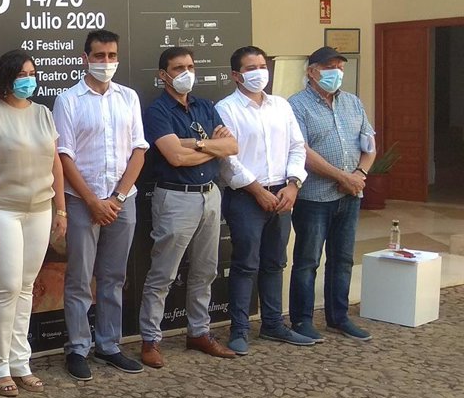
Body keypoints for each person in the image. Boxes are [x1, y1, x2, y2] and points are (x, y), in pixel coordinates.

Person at [0, 50, 67, 397]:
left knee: (25, 287)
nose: (29, 79)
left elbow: (56, 163)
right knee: (7, 286)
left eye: (32, 73)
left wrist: (61, 210)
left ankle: (20, 362)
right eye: (22, 74)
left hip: (39, 210)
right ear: (7, 77)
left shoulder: (43, 113)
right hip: (0, 211)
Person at [52, 30, 148, 381]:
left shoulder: (128, 97)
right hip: (82, 202)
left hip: (122, 202)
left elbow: (139, 150)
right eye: (99, 56)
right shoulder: (68, 100)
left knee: (113, 277)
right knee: (79, 279)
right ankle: (78, 348)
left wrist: (117, 198)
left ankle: (108, 345)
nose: (106, 62)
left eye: (111, 56)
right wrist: (93, 201)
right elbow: (63, 156)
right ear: (85, 58)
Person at [139, 47, 240, 369]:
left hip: (210, 194)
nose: (186, 73)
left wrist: (194, 143)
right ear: (163, 75)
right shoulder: (157, 111)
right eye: (178, 68)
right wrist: (211, 146)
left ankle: (199, 332)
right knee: (163, 274)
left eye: (191, 67)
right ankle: (150, 340)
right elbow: (175, 157)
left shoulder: (205, 106)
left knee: (205, 270)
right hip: (175, 197)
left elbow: (232, 146)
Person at [215, 46, 315, 355]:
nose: (259, 72)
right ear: (236, 75)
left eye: (262, 65)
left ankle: (273, 324)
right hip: (246, 197)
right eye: (251, 68)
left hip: (282, 194)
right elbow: (227, 159)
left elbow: (297, 146)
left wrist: (293, 184)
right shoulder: (226, 109)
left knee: (275, 262)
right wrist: (257, 190)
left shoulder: (281, 106)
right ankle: (239, 330)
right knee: (246, 264)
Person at [289, 46, 377, 342]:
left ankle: (338, 317)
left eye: (340, 67)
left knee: (342, 259)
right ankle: (301, 320)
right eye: (330, 67)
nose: (337, 72)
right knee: (308, 260)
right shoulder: (296, 105)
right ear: (311, 71)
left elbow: (369, 144)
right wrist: (342, 177)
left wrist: (359, 175)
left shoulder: (352, 102)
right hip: (314, 198)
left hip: (350, 196)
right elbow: (302, 152)